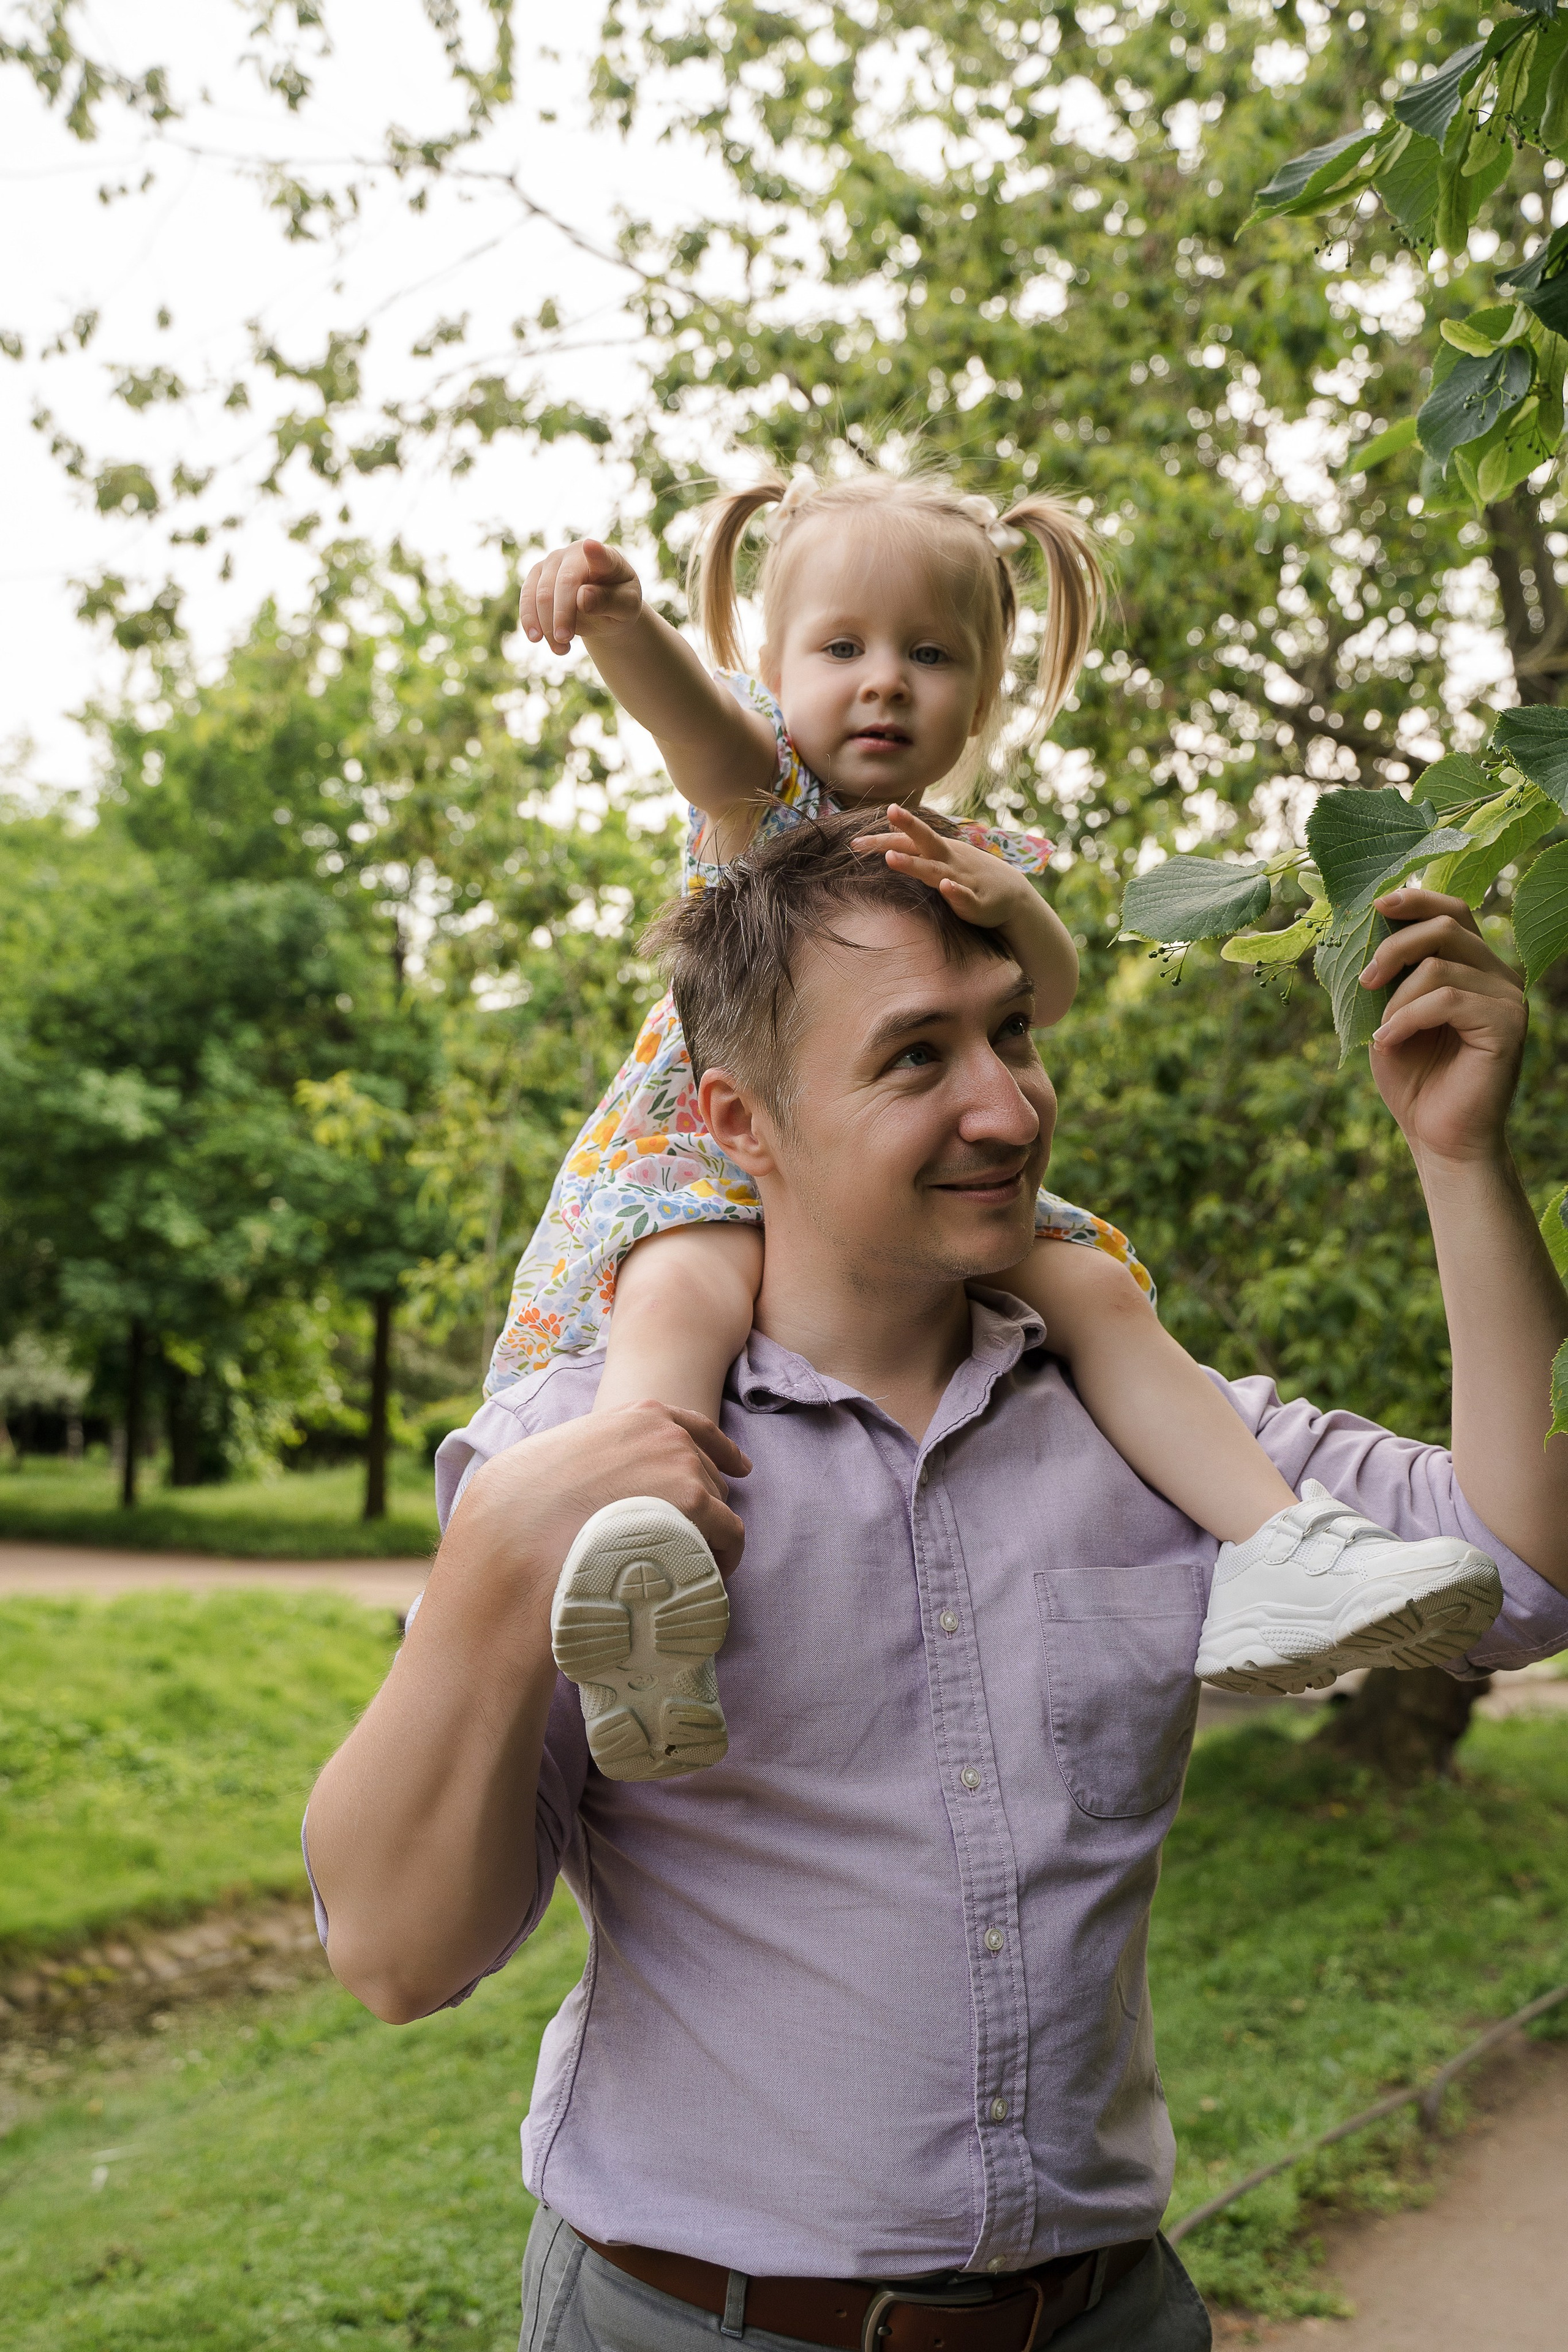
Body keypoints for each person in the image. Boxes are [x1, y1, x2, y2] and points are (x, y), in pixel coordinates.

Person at [303, 824, 1568, 2352]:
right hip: (690, 2323)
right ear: (738, 1121)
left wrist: (1458, 1163)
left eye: (1011, 1032)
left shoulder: (1154, 1427)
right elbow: (396, 1955)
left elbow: (1513, 1579)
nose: (1006, 1105)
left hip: (1109, 2317)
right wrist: (499, 1567)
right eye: (915, 1058)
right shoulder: (584, 1468)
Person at [494, 469, 1499, 1779]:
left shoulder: (973, 849)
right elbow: (693, 725)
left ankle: (1277, 1547)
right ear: (771, 667)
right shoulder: (768, 800)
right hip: (711, 1159)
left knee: (1089, 1288)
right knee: (677, 1288)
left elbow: (1056, 987)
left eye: (928, 653)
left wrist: (1001, 902)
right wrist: (622, 624)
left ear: (980, 690)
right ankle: (634, 1546)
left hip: (908, 1184)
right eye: (839, 648)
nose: (882, 683)